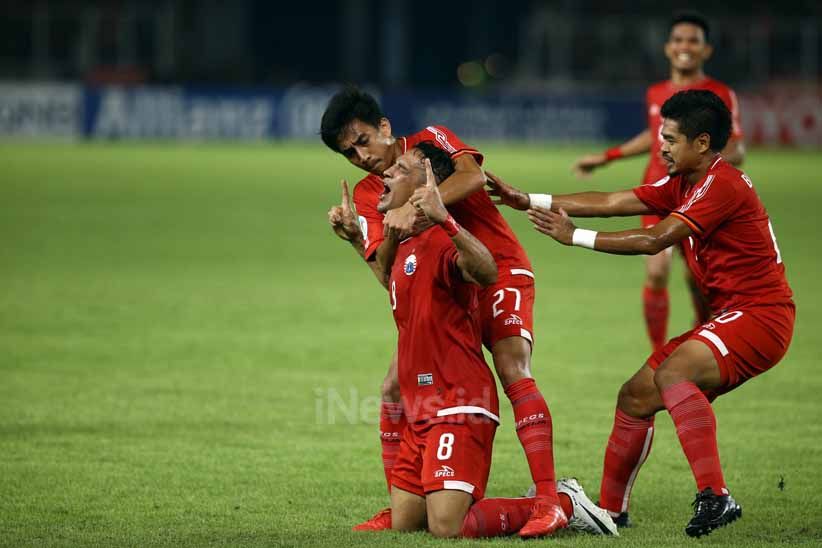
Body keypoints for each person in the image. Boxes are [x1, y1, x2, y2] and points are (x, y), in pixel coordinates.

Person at [488, 90, 794, 537]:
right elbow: (614, 201)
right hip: (732, 316)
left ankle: (716, 495)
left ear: (703, 143)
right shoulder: (686, 182)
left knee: (673, 375)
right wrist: (529, 199)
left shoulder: (721, 184)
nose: (661, 147)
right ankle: (612, 512)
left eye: (670, 139)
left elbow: (656, 240)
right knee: (635, 397)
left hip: (761, 316)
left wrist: (575, 237)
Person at [322, 87, 565, 536]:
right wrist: (360, 239)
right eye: (348, 153)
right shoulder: (368, 192)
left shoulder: (428, 145)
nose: (360, 156)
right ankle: (402, 503)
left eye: (362, 141)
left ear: (385, 128)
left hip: (497, 267)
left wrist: (419, 206)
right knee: (394, 385)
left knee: (513, 367)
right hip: (439, 286)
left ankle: (549, 499)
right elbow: (391, 275)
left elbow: (473, 178)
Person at [373, 143, 615, 538]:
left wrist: (446, 220)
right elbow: (391, 281)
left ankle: (567, 503)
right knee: (405, 523)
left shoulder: (443, 238)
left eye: (398, 170)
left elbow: (486, 271)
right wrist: (355, 236)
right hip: (423, 409)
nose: (384, 174)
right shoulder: (404, 243)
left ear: (426, 186)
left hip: (458, 403)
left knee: (446, 528)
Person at [572, 12, 746, 352]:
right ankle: (659, 354)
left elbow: (736, 149)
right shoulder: (656, 93)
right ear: (668, 48)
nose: (685, 47)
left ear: (706, 50)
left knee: (699, 281)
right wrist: (606, 157)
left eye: (693, 41)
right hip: (659, 192)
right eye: (679, 40)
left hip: (699, 196)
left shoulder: (720, 94)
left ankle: (703, 341)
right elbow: (654, 137)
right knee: (656, 272)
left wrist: (702, 160)